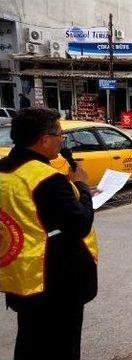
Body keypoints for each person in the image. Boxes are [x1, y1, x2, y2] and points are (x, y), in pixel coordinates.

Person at [0, 108, 98, 359]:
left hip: (21, 273)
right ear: (44, 139)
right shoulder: (47, 178)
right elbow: (80, 223)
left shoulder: (4, 169)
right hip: (55, 278)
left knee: (29, 342)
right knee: (62, 345)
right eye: (60, 134)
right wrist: (82, 187)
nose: (62, 139)